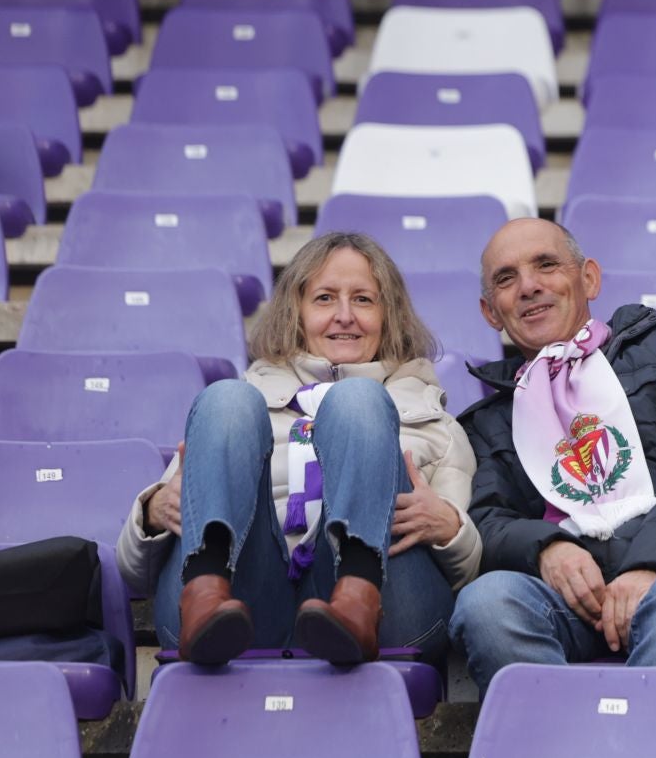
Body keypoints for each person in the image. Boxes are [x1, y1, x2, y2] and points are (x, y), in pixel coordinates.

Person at [117, 232, 478, 665]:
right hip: (246, 605)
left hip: (391, 612)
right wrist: (153, 512)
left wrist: (452, 530)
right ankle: (205, 595)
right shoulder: (233, 415)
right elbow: (134, 569)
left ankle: (357, 600)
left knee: (356, 400)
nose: (344, 316)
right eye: (325, 298)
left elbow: (469, 573)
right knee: (226, 397)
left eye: (363, 300)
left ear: (390, 315)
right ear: (296, 312)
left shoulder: (433, 421)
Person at [447, 218, 656, 692]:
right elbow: (486, 518)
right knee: (487, 603)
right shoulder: (490, 420)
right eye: (506, 279)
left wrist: (649, 566)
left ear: (589, 278)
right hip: (569, 604)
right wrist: (545, 548)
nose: (529, 287)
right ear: (491, 312)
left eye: (546, 265)